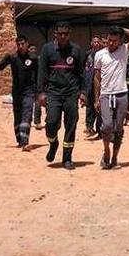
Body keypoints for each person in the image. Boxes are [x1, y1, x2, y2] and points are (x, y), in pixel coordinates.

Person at [38, 22, 86, 170]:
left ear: (69, 34)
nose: (63, 36)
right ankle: (53, 143)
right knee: (51, 123)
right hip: (53, 93)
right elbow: (42, 72)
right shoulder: (47, 49)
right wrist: (41, 92)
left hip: (71, 93)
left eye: (66, 34)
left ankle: (67, 158)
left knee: (71, 125)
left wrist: (83, 92)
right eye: (60, 34)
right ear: (55, 34)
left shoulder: (76, 50)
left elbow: (81, 74)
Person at [94, 26, 129, 169]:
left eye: (114, 40)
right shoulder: (100, 54)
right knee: (106, 125)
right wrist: (96, 98)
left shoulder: (125, 50)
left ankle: (114, 157)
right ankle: (106, 150)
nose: (111, 43)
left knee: (119, 128)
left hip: (121, 94)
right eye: (109, 40)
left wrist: (121, 29)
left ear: (120, 41)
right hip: (106, 94)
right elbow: (96, 78)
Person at [0, 34, 38, 148]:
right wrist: (7, 55)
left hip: (29, 91)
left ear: (27, 44)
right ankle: (20, 140)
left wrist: (39, 90)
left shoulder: (33, 58)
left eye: (22, 44)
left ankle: (25, 141)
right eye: (18, 44)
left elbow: (39, 74)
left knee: (27, 114)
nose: (20, 46)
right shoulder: (13, 57)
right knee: (18, 116)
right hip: (17, 92)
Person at [84, 35, 104, 137]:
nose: (96, 44)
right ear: (91, 43)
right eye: (94, 42)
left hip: (99, 84)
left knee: (99, 106)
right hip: (88, 83)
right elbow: (84, 68)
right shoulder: (88, 54)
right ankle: (89, 126)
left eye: (98, 42)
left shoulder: (103, 54)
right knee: (89, 106)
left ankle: (99, 128)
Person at [29, 44, 44, 129]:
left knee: (38, 104)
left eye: (34, 49)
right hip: (28, 86)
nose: (33, 51)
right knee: (28, 105)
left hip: (38, 85)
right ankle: (28, 121)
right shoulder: (26, 61)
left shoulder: (39, 61)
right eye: (31, 49)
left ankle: (37, 122)